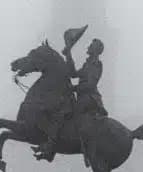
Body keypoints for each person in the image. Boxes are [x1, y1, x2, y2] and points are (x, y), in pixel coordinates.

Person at [37, 26, 105, 161]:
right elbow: (73, 73)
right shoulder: (88, 64)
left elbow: (90, 85)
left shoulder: (96, 64)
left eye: (90, 46)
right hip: (83, 97)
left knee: (63, 113)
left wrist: (73, 89)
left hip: (89, 99)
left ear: (95, 50)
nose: (88, 47)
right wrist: (68, 54)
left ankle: (51, 149)